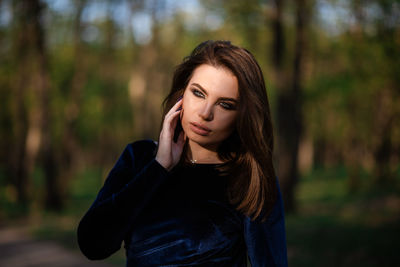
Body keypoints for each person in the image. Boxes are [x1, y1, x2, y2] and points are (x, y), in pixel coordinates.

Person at [77, 40, 288, 266]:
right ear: (182, 93)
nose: (205, 113)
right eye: (198, 93)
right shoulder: (139, 157)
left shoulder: (249, 178)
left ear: (242, 116)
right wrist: (159, 167)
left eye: (225, 105)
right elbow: (93, 245)